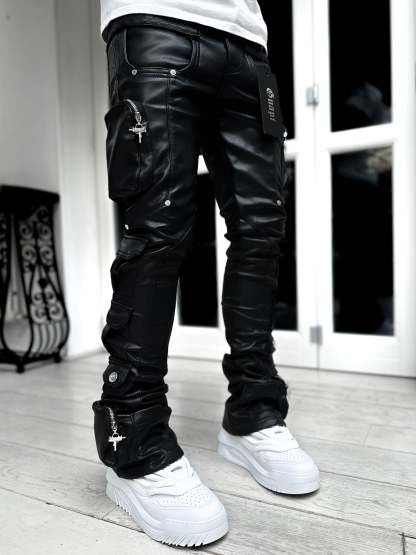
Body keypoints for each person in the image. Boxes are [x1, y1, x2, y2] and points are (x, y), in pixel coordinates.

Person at [92, 0, 320, 547]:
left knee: (262, 233)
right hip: (156, 23)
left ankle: (254, 411)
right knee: (158, 232)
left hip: (249, 48)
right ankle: (134, 441)